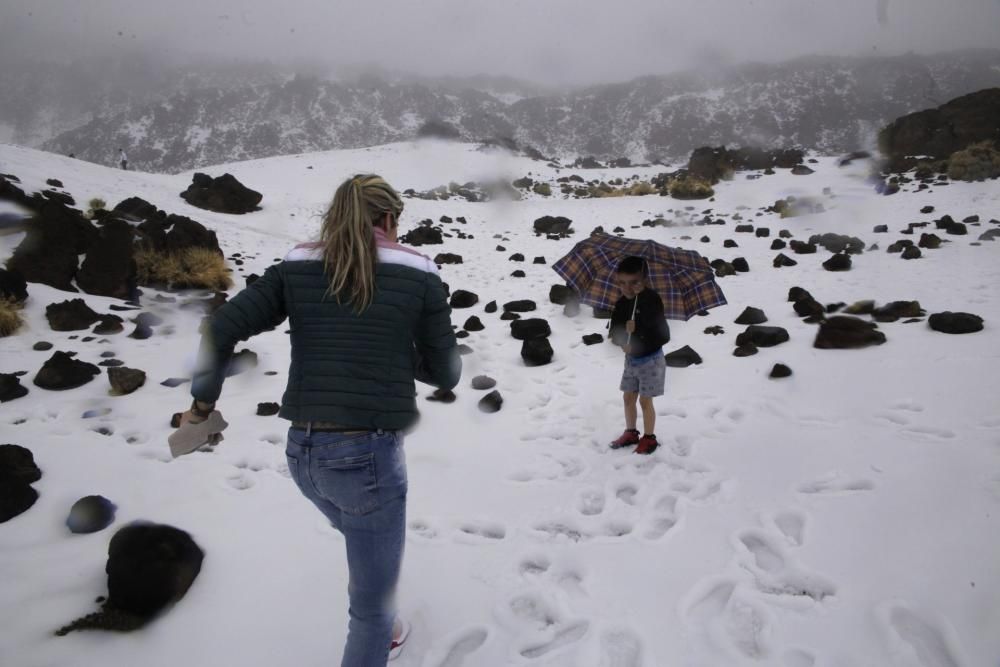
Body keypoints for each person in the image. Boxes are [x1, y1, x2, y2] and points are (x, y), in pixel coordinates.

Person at [175, 174, 461, 665]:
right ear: (389, 219)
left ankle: (385, 617)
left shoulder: (298, 263)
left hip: (303, 455)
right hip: (366, 456)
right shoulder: (418, 269)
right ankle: (382, 627)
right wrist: (399, 350)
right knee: (368, 609)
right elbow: (446, 373)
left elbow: (220, 327)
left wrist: (202, 409)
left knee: (361, 537)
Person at [607, 256, 670, 454]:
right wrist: (622, 341)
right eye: (622, 282)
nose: (627, 287)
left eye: (634, 282)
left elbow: (663, 335)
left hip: (651, 361)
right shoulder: (621, 303)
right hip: (631, 361)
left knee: (645, 401)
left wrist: (639, 327)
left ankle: (649, 438)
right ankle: (631, 432)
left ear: (644, 280)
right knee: (628, 398)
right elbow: (614, 330)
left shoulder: (652, 300)